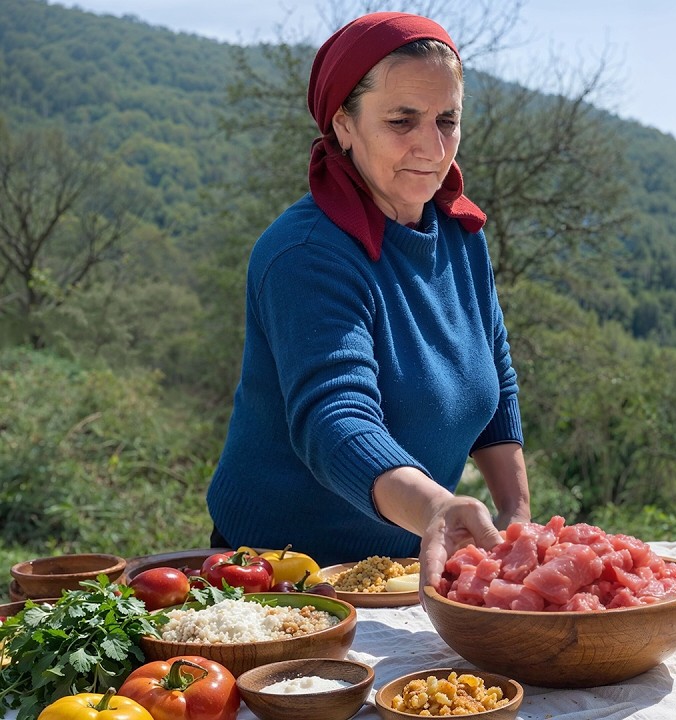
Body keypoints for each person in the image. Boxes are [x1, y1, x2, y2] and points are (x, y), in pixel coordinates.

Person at [206, 12, 530, 589]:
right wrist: (435, 507)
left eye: (447, 120)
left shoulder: (460, 235)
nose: (432, 147)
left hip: (407, 565)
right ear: (345, 124)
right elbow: (336, 419)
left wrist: (517, 516)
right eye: (402, 120)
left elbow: (495, 379)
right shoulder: (305, 253)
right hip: (281, 574)